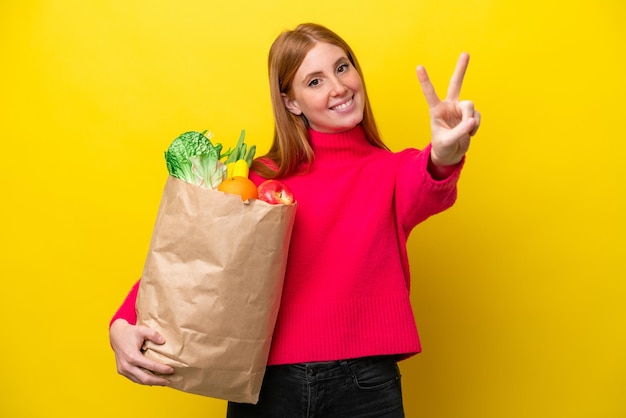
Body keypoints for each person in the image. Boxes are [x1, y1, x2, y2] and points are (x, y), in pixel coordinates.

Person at [109, 22, 480, 417]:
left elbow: (428, 180)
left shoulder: (391, 171)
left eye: (342, 68)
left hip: (365, 384)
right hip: (266, 384)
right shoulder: (255, 179)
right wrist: (123, 322)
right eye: (315, 81)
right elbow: (196, 258)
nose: (338, 87)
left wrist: (446, 152)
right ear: (291, 103)